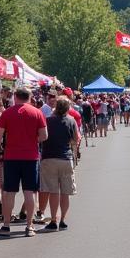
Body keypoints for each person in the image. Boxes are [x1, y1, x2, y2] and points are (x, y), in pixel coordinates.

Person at [0, 87, 48, 236]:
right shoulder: (37, 113)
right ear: (29, 97)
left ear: (15, 97)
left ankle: (6, 226)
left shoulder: (7, 113)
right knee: (30, 192)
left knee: (9, 192)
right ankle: (29, 226)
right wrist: (32, 139)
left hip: (11, 157)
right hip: (31, 157)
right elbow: (44, 136)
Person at [40, 96, 80, 230]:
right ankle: (62, 219)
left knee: (53, 191)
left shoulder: (48, 120)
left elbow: (41, 137)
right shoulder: (71, 120)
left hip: (49, 157)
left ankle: (53, 220)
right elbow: (76, 139)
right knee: (65, 192)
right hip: (65, 157)